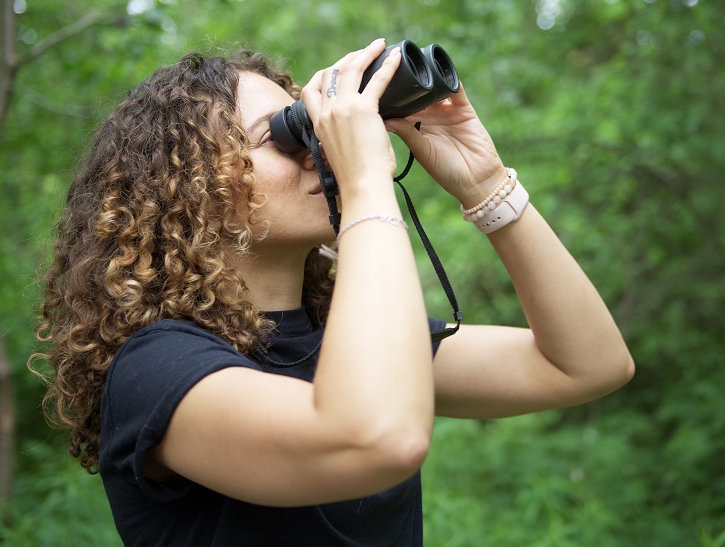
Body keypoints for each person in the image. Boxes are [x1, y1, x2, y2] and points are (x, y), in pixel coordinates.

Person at [33, 38, 634, 546]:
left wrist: (486, 185)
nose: (316, 149)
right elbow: (374, 437)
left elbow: (585, 365)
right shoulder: (158, 371)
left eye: (312, 127)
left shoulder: (337, 341)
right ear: (187, 191)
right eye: (283, 136)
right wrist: (367, 183)